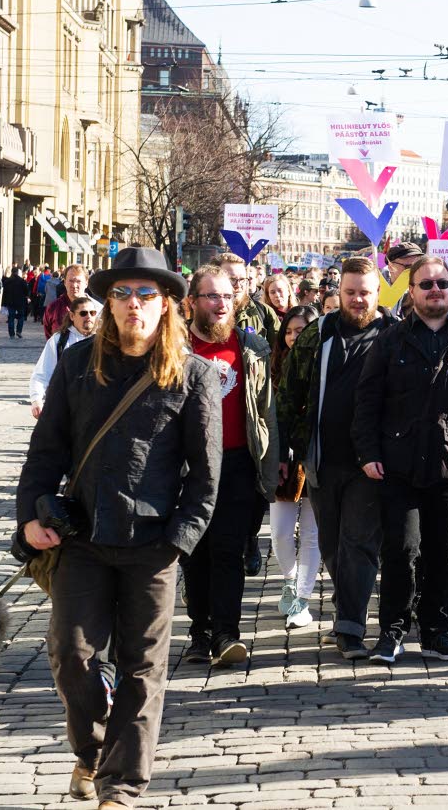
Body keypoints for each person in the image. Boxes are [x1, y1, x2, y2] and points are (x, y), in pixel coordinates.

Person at [15, 246, 219, 810]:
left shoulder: (194, 376)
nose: (134, 304)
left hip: (152, 547)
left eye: (146, 294)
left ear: (166, 304)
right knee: (70, 655)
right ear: (108, 302)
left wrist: (177, 542)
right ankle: (91, 750)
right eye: (122, 294)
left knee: (142, 669)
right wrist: (30, 516)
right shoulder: (78, 365)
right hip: (83, 538)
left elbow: (205, 479)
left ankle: (121, 788)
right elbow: (45, 452)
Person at [353, 257, 448, 664]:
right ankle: (392, 631)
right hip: (399, 462)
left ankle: (437, 632)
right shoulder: (390, 339)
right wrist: (368, 453)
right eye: (426, 284)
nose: (435, 290)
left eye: (442, 284)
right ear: (411, 291)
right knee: (401, 551)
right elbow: (367, 400)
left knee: (443, 553)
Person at [277, 257, 398, 660]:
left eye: (365, 292)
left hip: (372, 461)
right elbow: (289, 392)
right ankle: (347, 611)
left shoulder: (393, 333)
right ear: (339, 292)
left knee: (359, 542)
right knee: (331, 544)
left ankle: (350, 627)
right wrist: (286, 449)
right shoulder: (319, 333)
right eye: (350, 292)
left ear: (378, 292)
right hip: (322, 459)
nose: (358, 300)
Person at [181, 265, 281, 666]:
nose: (222, 303)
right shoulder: (175, 346)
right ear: (192, 302)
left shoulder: (251, 346)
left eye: (227, 295)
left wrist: (271, 466)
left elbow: (266, 411)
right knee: (194, 552)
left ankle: (226, 633)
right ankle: (200, 631)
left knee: (228, 550)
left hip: (237, 462)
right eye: (212, 296)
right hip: (188, 467)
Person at [268, 304, 322, 622]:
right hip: (283, 456)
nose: (293, 337)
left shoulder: (323, 364)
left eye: (300, 330)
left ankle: (303, 596)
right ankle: (289, 582)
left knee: (312, 532)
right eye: (288, 331)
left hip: (314, 453)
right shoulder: (274, 365)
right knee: (280, 530)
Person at [30, 296, 100, 417]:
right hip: (67, 407)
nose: (88, 316)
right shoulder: (59, 341)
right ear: (72, 316)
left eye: (92, 313)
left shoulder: (104, 340)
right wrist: (36, 399)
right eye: (83, 313)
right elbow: (42, 373)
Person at [209, 252, 277, 342]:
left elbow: (279, 349)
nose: (238, 286)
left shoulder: (264, 313)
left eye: (242, 280)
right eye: (232, 279)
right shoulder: (202, 314)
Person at [44, 264, 89, 340]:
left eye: (78, 281)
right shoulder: (53, 308)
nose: (74, 285)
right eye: (71, 281)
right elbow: (49, 337)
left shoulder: (97, 309)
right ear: (64, 282)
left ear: (86, 283)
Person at [3, 267, 30, 339]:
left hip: (10, 302)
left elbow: (4, 293)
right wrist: (26, 296)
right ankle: (19, 331)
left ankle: (11, 334)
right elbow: (26, 291)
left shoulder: (7, 281)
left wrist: (4, 303)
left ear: (11, 272)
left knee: (11, 318)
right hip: (20, 301)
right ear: (17, 272)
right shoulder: (22, 281)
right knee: (21, 317)